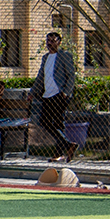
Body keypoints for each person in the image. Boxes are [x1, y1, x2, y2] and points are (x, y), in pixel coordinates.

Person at [28, 31, 78, 160]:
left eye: (52, 41)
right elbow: (41, 76)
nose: (49, 43)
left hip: (59, 94)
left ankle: (59, 152)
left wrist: (66, 92)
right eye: (48, 41)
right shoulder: (45, 57)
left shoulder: (64, 56)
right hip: (47, 94)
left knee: (58, 122)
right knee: (44, 121)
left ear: (59, 42)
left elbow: (71, 75)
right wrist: (32, 92)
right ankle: (68, 145)